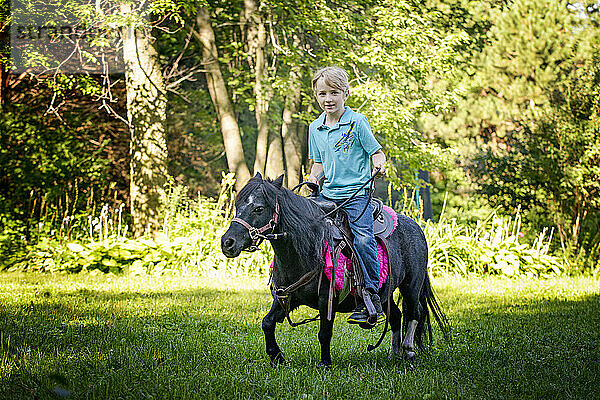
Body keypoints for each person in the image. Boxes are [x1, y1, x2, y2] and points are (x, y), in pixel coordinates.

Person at [307, 66, 387, 325]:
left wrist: (379, 163)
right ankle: (308, 287)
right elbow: (318, 162)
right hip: (328, 195)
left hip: (356, 194)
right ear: (317, 96)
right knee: (305, 230)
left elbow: (376, 151)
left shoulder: (357, 122)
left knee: (363, 239)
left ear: (345, 94)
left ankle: (372, 294)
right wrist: (312, 178)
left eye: (334, 93)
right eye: (322, 94)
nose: (328, 99)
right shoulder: (315, 128)